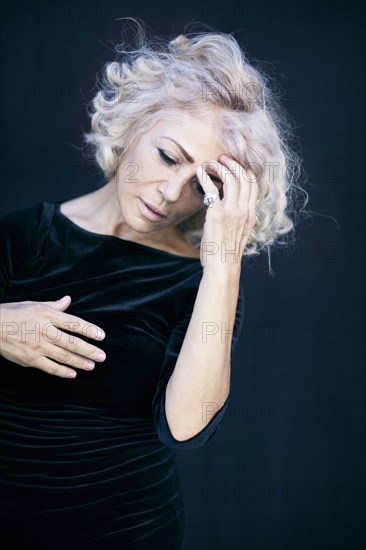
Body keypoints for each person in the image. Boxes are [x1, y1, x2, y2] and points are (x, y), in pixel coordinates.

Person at [0, 18, 305, 550]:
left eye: (202, 186)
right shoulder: (26, 235)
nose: (169, 193)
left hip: (125, 530)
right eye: (168, 157)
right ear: (132, 124)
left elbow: (186, 426)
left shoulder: (199, 281)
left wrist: (224, 263)